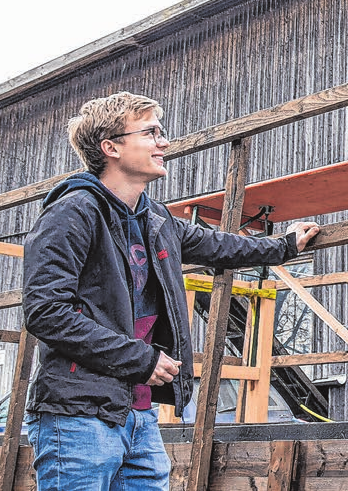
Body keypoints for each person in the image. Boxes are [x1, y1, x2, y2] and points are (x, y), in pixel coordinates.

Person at [22, 91, 321, 491]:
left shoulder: (155, 218)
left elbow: (221, 246)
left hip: (138, 412)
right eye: (150, 133)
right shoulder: (72, 212)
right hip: (78, 411)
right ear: (111, 147)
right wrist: (140, 358)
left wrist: (284, 245)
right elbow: (46, 312)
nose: (164, 143)